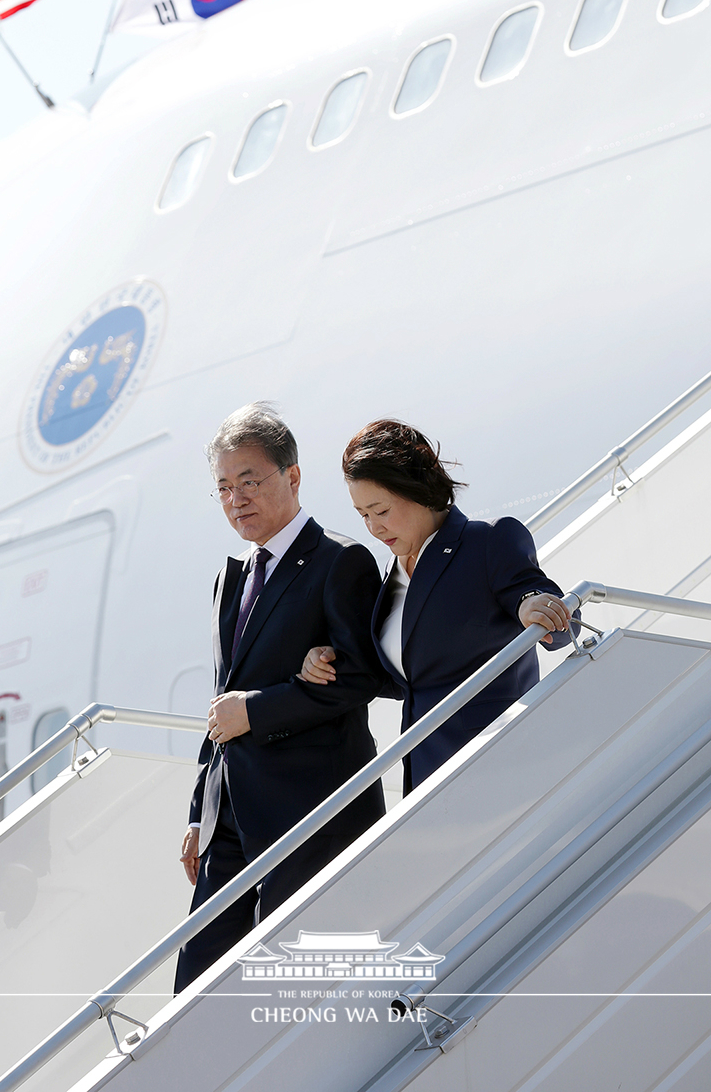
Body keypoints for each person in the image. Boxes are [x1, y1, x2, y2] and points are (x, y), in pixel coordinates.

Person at [174, 403, 385, 993]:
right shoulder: (231, 576)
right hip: (230, 819)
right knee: (197, 988)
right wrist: (200, 809)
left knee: (299, 991)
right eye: (222, 487)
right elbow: (223, 698)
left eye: (249, 481)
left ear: (292, 477)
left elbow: (361, 677)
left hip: (311, 809)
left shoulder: (341, 562)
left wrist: (258, 711)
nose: (235, 498)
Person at [300, 419, 576, 794]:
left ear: (418, 490)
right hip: (426, 776)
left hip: (500, 766)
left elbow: (552, 611)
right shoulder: (392, 575)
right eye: (363, 515)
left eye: (381, 510)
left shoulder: (488, 540)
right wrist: (331, 659)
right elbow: (409, 675)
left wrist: (535, 606)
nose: (374, 528)